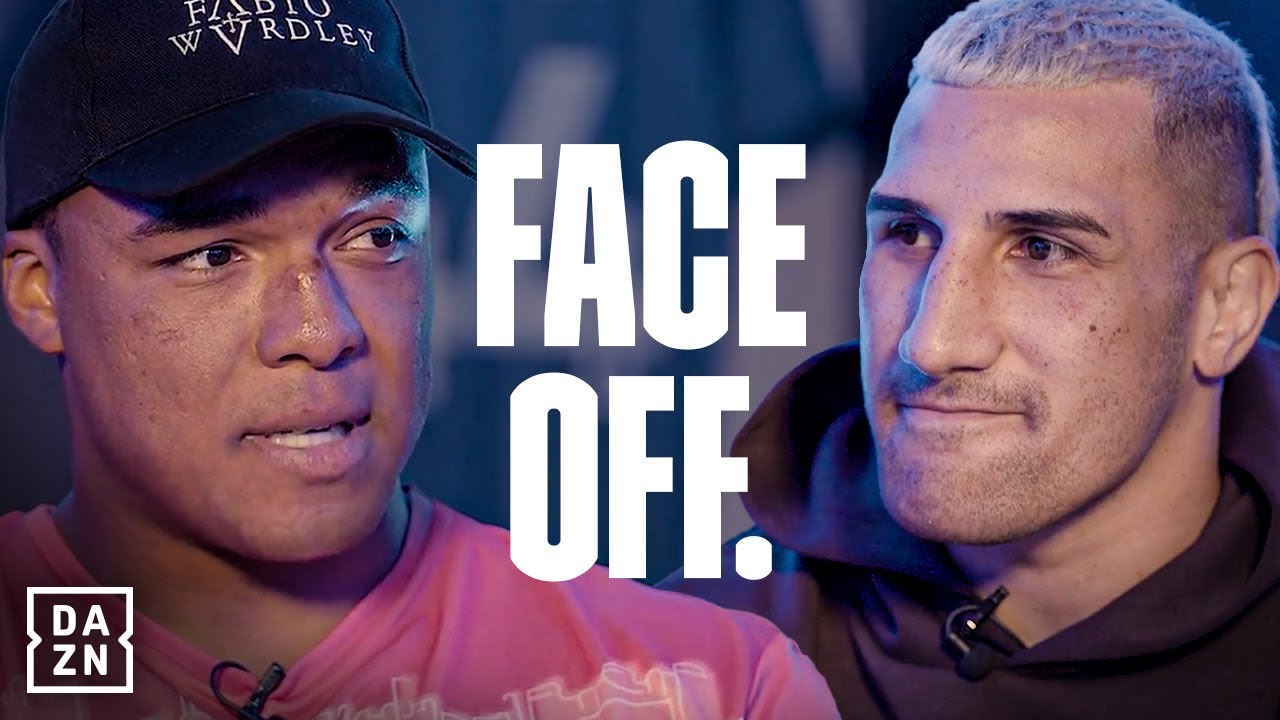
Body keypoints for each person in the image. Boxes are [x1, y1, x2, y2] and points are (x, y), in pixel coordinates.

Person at [0, 1, 840, 718]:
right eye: (214, 255)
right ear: (39, 292)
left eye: (375, 236)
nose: (321, 330)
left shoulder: (709, 688)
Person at [663, 0, 1280, 717]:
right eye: (908, 233)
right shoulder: (690, 663)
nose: (932, 343)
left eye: (1041, 249)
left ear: (1227, 306)